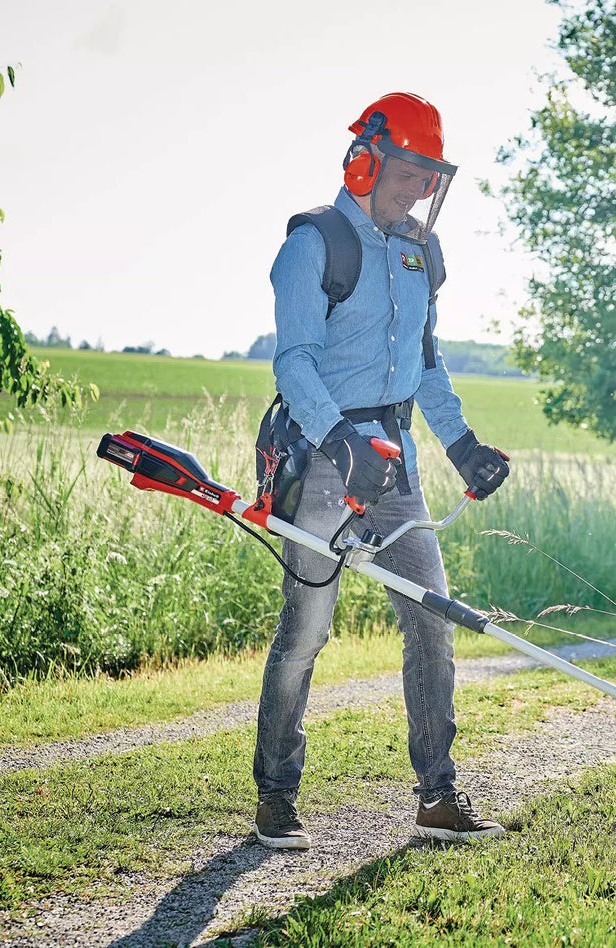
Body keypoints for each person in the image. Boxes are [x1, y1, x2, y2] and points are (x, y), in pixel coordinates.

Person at [253, 91, 511, 849]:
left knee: (431, 621)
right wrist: (340, 439)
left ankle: (437, 795)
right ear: (365, 160)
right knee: (306, 632)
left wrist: (462, 443)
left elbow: (424, 366)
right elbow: (294, 361)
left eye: (430, 177)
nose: (418, 190)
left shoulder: (416, 253)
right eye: (407, 172)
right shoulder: (315, 243)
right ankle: (275, 796)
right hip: (325, 459)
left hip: (397, 467)